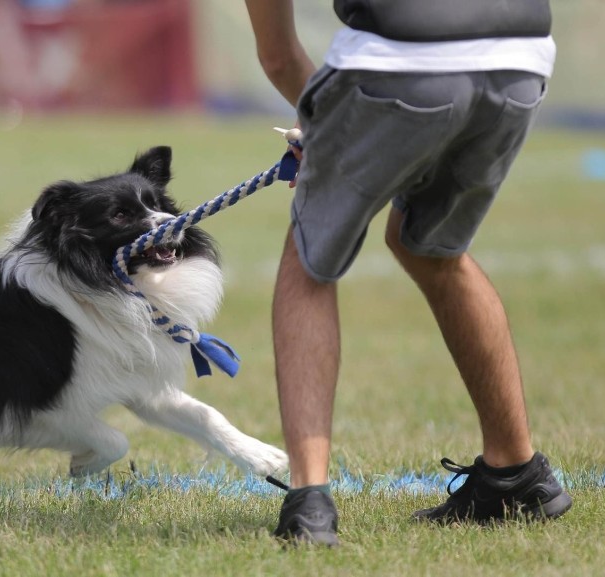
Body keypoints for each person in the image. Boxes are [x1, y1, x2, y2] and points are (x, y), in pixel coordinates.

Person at [244, 0, 573, 546]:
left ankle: (309, 503)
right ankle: (516, 474)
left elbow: (279, 58)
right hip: (522, 58)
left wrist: (321, 124)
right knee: (431, 249)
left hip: (399, 59)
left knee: (308, 258)